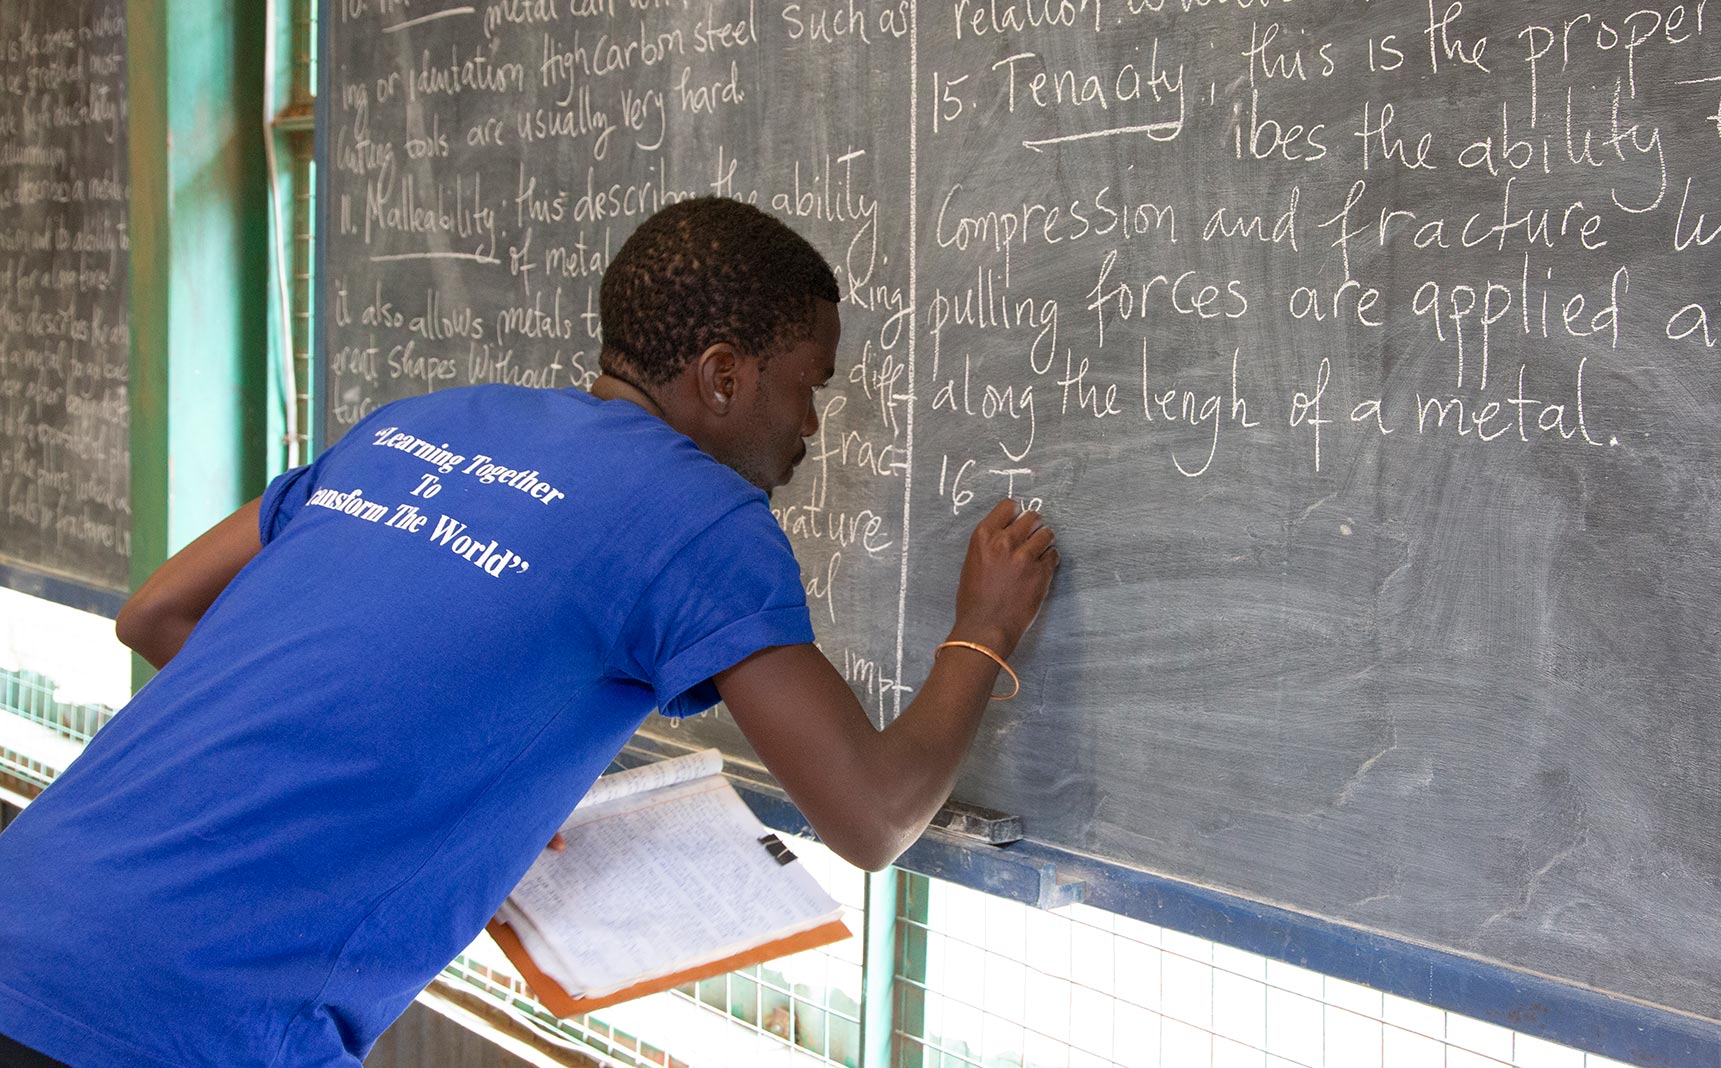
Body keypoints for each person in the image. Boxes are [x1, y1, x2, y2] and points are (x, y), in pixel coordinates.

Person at [0, 197, 1058, 1068]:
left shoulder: (423, 423)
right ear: (726, 374)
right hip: (177, 1021)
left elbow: (158, 612)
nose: (813, 426)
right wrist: (982, 631)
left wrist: (418, 755)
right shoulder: (699, 517)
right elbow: (871, 817)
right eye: (808, 386)